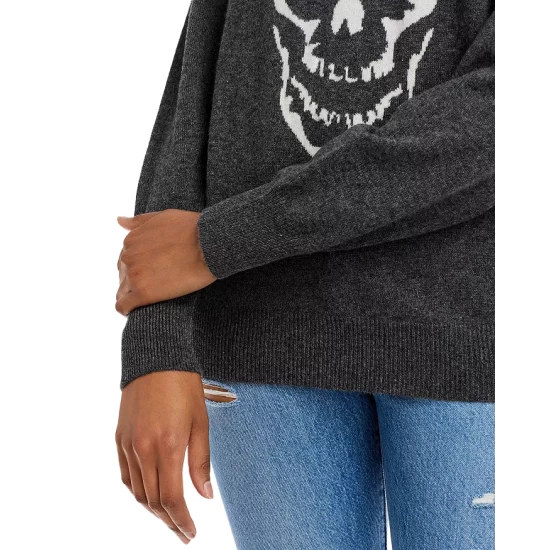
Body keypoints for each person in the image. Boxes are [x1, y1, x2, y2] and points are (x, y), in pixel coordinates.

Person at [115, 1, 495, 548]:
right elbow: (195, 87)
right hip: (256, 334)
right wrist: (158, 341)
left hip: (468, 341)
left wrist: (222, 240)